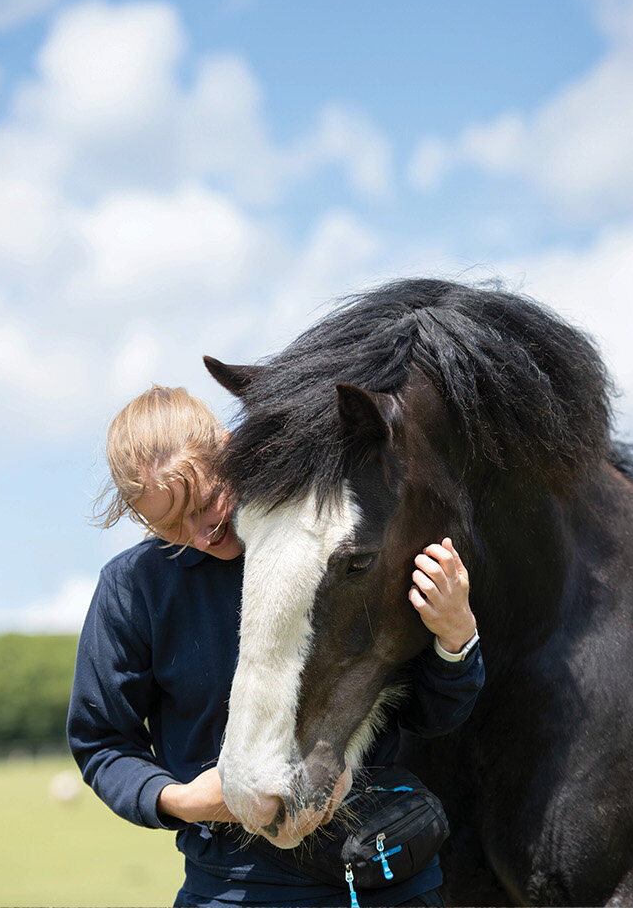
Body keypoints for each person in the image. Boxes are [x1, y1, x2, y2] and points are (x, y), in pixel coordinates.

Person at [68, 385, 484, 907]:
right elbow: (101, 741)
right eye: (169, 525)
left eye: (204, 502)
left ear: (229, 449)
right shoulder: (133, 587)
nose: (200, 533)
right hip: (234, 891)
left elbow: (431, 714)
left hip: (385, 880)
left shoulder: (333, 540)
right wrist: (182, 800)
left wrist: (455, 636)